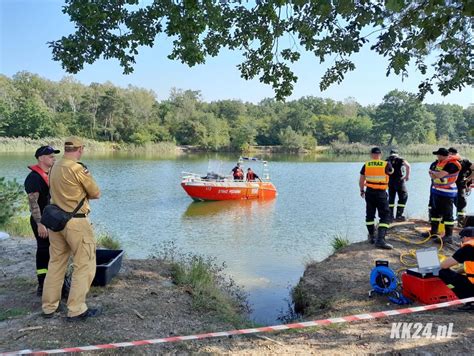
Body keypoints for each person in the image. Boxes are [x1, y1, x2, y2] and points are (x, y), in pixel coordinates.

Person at [42, 137, 102, 321]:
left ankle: (49, 307)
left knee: (56, 264)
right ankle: (76, 309)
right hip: (76, 223)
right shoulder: (77, 168)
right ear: (80, 149)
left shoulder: (54, 167)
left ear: (66, 148)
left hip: (56, 222)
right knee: (84, 264)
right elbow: (96, 193)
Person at [24, 145, 60, 296]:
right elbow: (33, 203)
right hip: (41, 221)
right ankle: (42, 283)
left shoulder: (51, 173)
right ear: (41, 158)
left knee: (56, 250)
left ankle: (56, 281)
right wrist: (40, 224)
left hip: (53, 219)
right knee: (44, 250)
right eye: (50, 156)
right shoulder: (34, 178)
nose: (54, 158)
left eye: (54, 156)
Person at [424, 148, 461, 244]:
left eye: (438, 155)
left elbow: (440, 175)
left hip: (447, 192)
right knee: (434, 212)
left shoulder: (452, 164)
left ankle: (448, 236)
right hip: (436, 191)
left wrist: (435, 174)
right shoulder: (438, 163)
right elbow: (431, 173)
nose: (437, 157)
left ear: (443, 155)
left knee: (447, 214)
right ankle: (433, 232)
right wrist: (435, 174)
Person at [359, 147, 394, 249]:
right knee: (385, 216)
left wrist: (362, 190)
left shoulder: (366, 164)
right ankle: (380, 240)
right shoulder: (385, 164)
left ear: (371, 154)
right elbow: (391, 172)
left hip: (369, 192)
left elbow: (361, 180)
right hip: (381, 193)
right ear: (380, 154)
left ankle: (372, 237)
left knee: (370, 215)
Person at [439, 226, 474, 312]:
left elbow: (444, 266)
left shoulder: (468, 248)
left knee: (443, 273)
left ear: (466, 237)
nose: (461, 241)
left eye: (461, 238)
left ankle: (470, 302)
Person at [448, 147, 473, 227]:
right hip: (450, 184)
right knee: (453, 202)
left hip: (460, 184)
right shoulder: (448, 161)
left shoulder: (464, 161)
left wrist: (468, 179)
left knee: (461, 202)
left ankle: (461, 221)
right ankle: (457, 219)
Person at [386, 149, 411, 222]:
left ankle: (390, 216)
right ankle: (399, 215)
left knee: (391, 198)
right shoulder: (400, 159)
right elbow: (408, 166)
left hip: (390, 181)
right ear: (397, 154)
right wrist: (407, 176)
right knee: (403, 196)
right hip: (399, 181)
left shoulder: (387, 160)